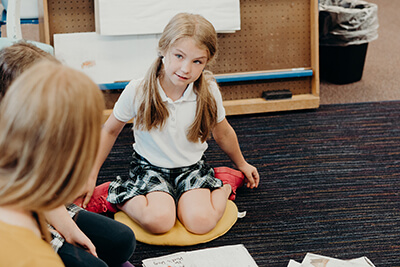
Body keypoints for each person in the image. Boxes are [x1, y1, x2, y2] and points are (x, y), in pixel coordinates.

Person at [83, 12, 260, 235]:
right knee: (159, 222)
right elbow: (109, 131)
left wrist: (242, 164)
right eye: (179, 56)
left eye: (197, 61)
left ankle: (225, 183)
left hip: (191, 168)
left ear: (207, 62)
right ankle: (115, 193)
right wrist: (90, 176)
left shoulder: (209, 92)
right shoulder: (138, 90)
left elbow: (223, 133)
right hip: (150, 168)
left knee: (201, 223)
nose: (186, 69)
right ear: (163, 49)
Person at [0, 43, 136, 267]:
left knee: (122, 240)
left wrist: (69, 229)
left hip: (34, 209)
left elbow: (38, 191)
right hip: (25, 227)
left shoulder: (25, 148)